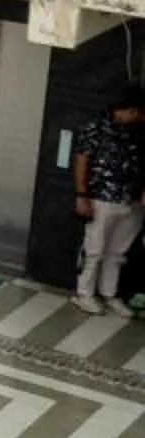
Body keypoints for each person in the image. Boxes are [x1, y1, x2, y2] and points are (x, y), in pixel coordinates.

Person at [72, 88, 145, 315]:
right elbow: (82, 162)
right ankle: (84, 293)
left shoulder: (138, 133)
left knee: (118, 251)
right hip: (101, 198)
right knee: (95, 248)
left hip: (131, 200)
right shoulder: (95, 130)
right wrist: (82, 195)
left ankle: (109, 293)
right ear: (132, 111)